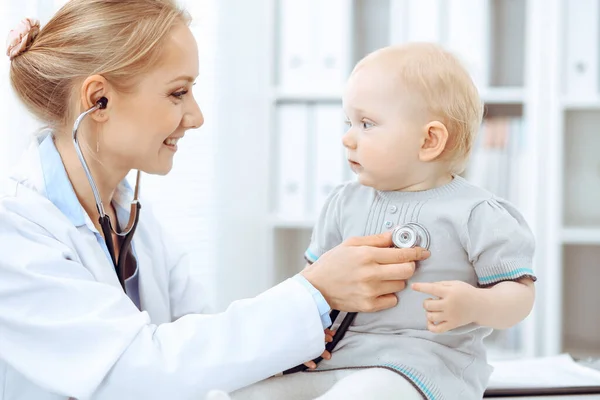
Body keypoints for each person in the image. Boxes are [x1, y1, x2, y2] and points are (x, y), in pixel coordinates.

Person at [0, 2, 430, 399]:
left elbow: (199, 346)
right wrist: (313, 291)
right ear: (99, 100)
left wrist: (286, 346)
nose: (196, 116)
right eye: (177, 92)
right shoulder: (15, 227)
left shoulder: (129, 219)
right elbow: (130, 369)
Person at [230, 43, 537, 400]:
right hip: (339, 358)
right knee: (249, 391)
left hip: (424, 368)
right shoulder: (344, 202)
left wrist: (474, 304)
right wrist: (307, 334)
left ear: (429, 140)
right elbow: (314, 286)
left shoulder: (477, 214)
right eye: (349, 123)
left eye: (366, 124)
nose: (347, 138)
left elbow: (520, 296)